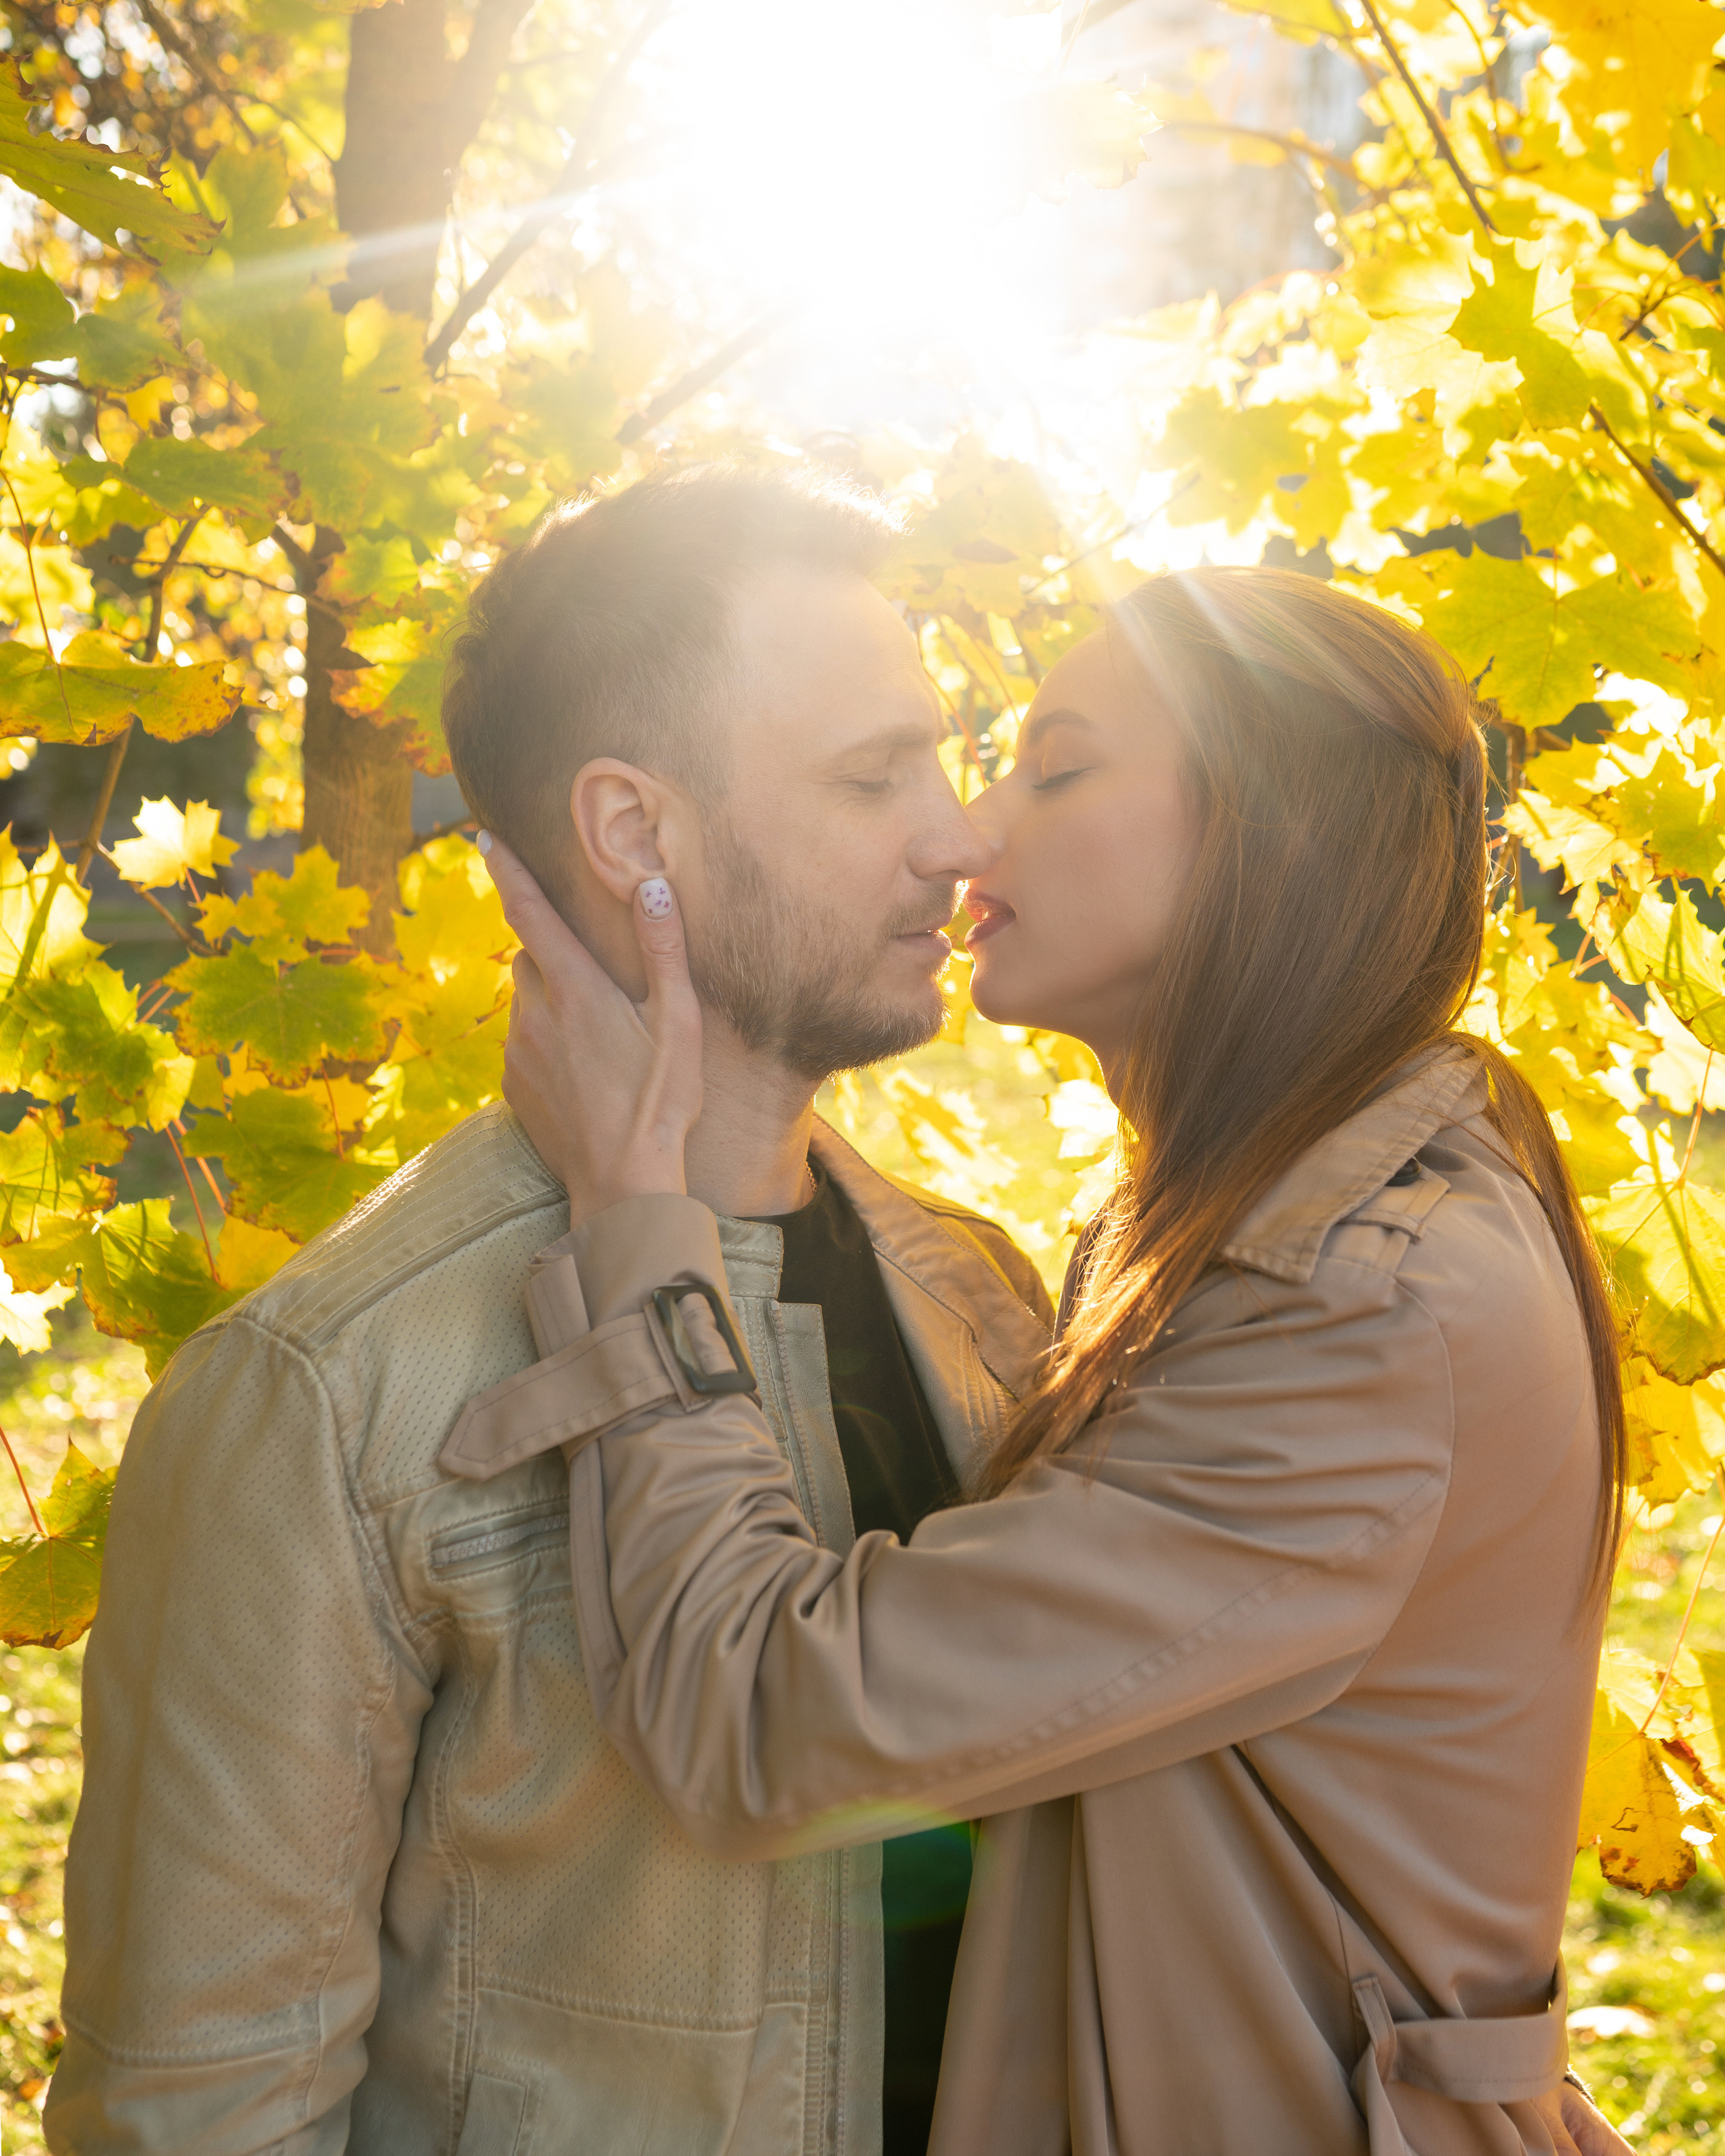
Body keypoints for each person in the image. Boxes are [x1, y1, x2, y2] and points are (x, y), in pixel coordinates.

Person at [472, 563, 1637, 2155]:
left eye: (1055, 763)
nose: (967, 830)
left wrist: (635, 1216)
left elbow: (759, 1717)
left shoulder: (1366, 1307)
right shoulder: (1225, 1223)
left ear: (1268, 837)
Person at [46, 466, 1056, 2156]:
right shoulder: (325, 1389)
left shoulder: (986, 1298)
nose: (957, 836)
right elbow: (202, 2104)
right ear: (632, 831)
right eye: (875, 773)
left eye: (943, 760)